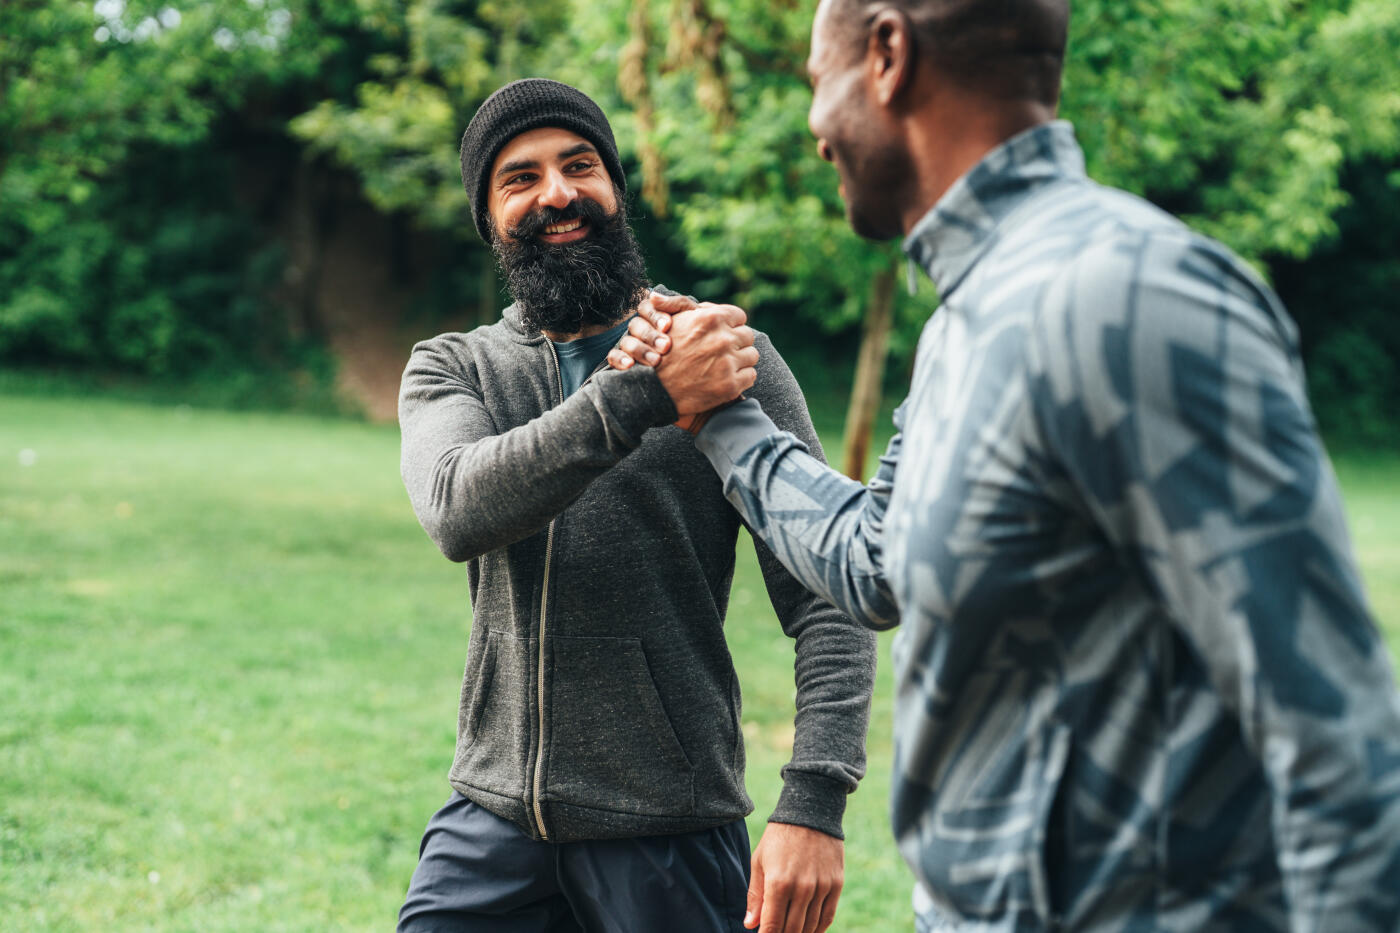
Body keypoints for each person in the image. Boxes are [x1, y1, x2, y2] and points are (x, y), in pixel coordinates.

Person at [610, 1, 1400, 929]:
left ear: (888, 56)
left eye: (815, 80)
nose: (815, 128)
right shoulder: (966, 325)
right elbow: (878, 560)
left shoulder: (1130, 296)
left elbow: (1334, 738)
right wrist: (719, 417)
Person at [395, 78, 876, 933]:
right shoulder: (454, 367)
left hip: (671, 830)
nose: (558, 192)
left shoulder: (732, 361)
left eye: (581, 165)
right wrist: (643, 393)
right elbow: (458, 509)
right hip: (494, 816)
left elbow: (829, 594)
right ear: (490, 219)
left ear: (616, 189)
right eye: (521, 177)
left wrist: (814, 799)